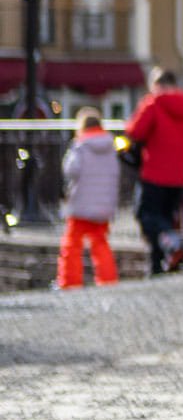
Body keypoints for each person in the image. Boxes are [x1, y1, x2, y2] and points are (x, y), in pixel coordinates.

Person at [126, 68, 183, 276]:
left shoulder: (153, 103)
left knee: (145, 214)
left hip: (155, 172)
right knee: (166, 217)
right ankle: (158, 265)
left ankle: (173, 244)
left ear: (156, 84)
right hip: (180, 175)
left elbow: (135, 131)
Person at [56, 107, 120, 290]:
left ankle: (70, 282)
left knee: (72, 245)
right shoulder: (110, 146)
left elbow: (70, 170)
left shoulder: (81, 146)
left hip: (81, 204)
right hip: (103, 205)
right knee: (100, 243)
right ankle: (108, 280)